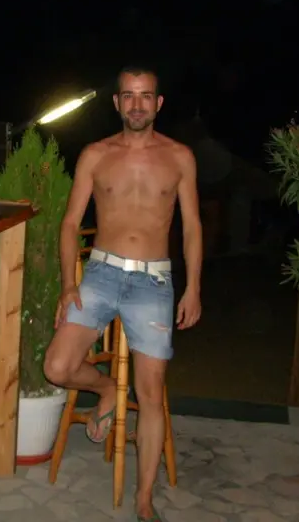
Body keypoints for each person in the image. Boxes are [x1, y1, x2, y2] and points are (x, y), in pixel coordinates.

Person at [44, 67, 202, 522]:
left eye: (145, 96)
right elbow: (70, 224)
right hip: (100, 274)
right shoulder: (96, 154)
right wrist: (68, 284)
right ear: (116, 103)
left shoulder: (179, 157)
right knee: (57, 367)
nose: (137, 105)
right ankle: (107, 390)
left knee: (151, 394)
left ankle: (144, 498)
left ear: (158, 103)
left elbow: (192, 228)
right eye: (129, 96)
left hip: (153, 283)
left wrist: (193, 287)